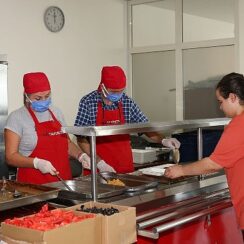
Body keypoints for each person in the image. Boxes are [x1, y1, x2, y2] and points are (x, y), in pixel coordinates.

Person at [164, 72, 244, 232]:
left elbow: (213, 164)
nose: (220, 107)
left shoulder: (238, 126)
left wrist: (180, 170)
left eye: (221, 101)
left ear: (233, 98)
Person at [74, 66, 181, 174]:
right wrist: (99, 163)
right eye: (113, 92)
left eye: (120, 91)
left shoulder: (127, 102)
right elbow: (81, 138)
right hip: (98, 168)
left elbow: (145, 127)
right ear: (103, 87)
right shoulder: (88, 102)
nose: (117, 95)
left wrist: (163, 140)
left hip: (124, 165)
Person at [4, 72, 91, 184]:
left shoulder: (56, 112)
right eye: (38, 98)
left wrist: (80, 155)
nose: (44, 101)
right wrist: (36, 163)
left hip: (63, 182)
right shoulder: (17, 117)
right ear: (26, 96)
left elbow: (67, 143)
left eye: (47, 96)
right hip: (34, 187)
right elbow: (10, 157)